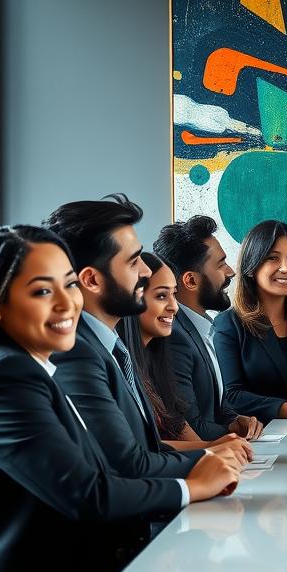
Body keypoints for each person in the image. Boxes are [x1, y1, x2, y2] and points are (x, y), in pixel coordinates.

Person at [0, 226, 241, 572]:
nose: (67, 304)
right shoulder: (2, 378)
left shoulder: (27, 369)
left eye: (69, 286)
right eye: (41, 291)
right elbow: (88, 494)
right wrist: (192, 487)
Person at [43, 194, 250, 478]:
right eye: (132, 262)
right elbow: (124, 466)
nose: (144, 271)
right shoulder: (76, 354)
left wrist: (212, 453)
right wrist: (206, 464)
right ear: (91, 280)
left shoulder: (115, 350)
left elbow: (149, 448)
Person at [119, 251, 251, 452]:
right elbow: (138, 450)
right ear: (132, 299)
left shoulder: (155, 362)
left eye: (173, 294)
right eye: (162, 296)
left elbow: (184, 432)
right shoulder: (118, 366)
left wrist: (219, 447)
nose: (174, 307)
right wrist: (212, 448)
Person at [212, 220, 287, 424]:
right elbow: (232, 396)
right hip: (257, 439)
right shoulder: (228, 324)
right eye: (273, 258)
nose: (286, 268)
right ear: (251, 268)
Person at [153, 215, 262, 441]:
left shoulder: (203, 328)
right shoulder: (174, 337)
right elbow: (192, 427)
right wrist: (234, 434)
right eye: (221, 264)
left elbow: (215, 408)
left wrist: (235, 419)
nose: (231, 271)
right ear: (191, 281)